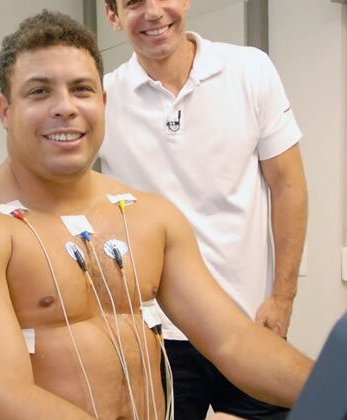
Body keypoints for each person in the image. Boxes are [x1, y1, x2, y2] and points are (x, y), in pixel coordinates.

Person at [0, 10, 312, 420]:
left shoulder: (150, 219)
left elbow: (234, 342)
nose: (65, 107)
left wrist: (334, 386)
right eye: (39, 91)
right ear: (4, 110)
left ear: (103, 103)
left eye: (81, 90)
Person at [100, 1, 308, 418]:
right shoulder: (102, 98)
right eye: (134, 2)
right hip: (157, 335)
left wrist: (282, 297)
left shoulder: (249, 70)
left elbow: (288, 186)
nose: (153, 12)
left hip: (250, 322)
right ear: (113, 16)